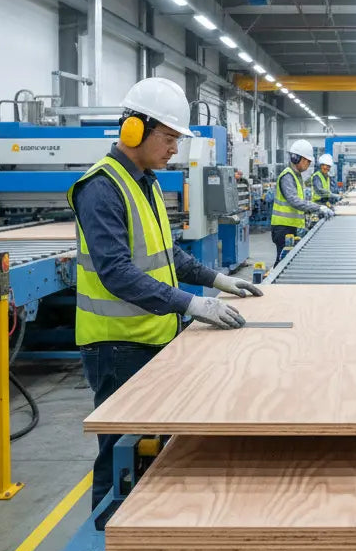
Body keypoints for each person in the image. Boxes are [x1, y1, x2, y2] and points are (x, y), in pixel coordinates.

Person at [68, 76, 263, 508]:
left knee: (153, 445)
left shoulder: (146, 181)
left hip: (151, 334)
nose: (175, 148)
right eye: (170, 137)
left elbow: (166, 252)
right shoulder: (101, 187)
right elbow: (116, 273)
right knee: (119, 450)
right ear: (134, 129)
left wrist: (216, 280)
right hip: (116, 344)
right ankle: (107, 527)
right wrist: (191, 304)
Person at [271, 139, 334, 264]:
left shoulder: (296, 175)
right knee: (282, 263)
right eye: (307, 161)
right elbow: (294, 200)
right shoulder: (287, 176)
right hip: (283, 228)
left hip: (292, 226)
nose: (308, 165)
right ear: (297, 158)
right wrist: (318, 208)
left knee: (289, 262)